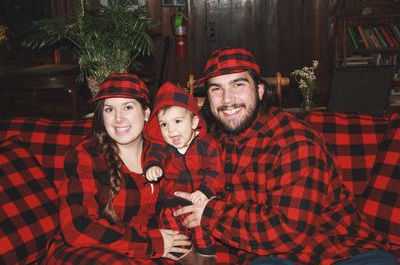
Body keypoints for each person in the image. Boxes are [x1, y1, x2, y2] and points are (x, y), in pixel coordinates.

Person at [173, 47, 398, 264]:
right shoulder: (213, 143)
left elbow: (288, 231)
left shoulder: (294, 141)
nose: (227, 99)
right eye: (216, 89)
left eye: (238, 85)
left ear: (260, 91)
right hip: (270, 258)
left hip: (343, 252)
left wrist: (210, 213)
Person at [45, 73, 190, 264]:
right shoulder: (86, 155)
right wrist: (151, 243)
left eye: (128, 107)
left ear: (146, 113)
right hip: (89, 253)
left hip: (151, 253)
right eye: (109, 109)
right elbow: (77, 228)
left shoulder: (165, 151)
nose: (118, 118)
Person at [143, 82, 224, 265]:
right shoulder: (162, 146)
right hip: (170, 205)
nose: (170, 130)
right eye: (164, 124)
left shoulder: (207, 144)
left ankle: (205, 259)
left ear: (194, 121)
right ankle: (188, 260)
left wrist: (204, 191)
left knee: (203, 236)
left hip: (201, 202)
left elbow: (216, 173)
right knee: (175, 238)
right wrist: (152, 166)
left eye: (177, 121)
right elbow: (154, 155)